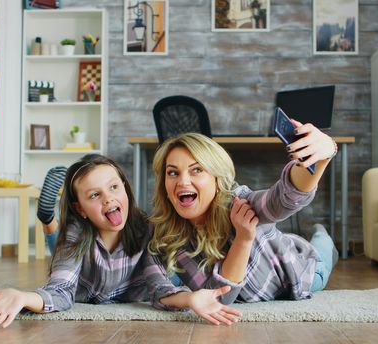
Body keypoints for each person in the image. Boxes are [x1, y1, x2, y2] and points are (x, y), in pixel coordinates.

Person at [145, 122, 339, 322]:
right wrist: (243, 239)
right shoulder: (168, 235)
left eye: (196, 170)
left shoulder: (240, 202)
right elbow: (217, 296)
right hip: (271, 253)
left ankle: (321, 233)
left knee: (323, 247)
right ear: (164, 186)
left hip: (300, 271)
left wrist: (321, 156)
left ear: (216, 179)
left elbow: (283, 198)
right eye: (173, 173)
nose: (183, 182)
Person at [0, 154, 151, 330]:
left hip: (134, 285)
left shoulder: (145, 227)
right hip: (81, 277)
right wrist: (25, 298)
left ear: (125, 188)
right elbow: (59, 288)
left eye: (113, 187)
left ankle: (49, 221)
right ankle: (49, 221)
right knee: (66, 247)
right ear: (80, 208)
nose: (108, 198)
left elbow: (165, 280)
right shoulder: (76, 233)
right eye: (95, 194)